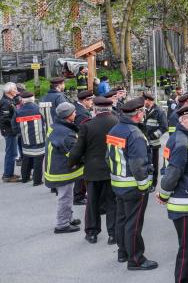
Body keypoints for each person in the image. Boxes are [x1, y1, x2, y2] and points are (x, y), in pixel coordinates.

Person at [157, 103, 188, 283]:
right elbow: (172, 174)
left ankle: (186, 278)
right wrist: (163, 194)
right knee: (187, 248)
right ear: (184, 119)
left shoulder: (185, 138)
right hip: (185, 204)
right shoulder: (181, 142)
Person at [106, 97, 157, 270]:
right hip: (133, 186)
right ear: (137, 114)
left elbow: (108, 158)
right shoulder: (135, 135)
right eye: (142, 112)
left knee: (121, 219)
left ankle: (123, 252)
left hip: (118, 183)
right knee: (134, 223)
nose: (143, 114)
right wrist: (144, 187)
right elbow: (138, 165)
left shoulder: (114, 130)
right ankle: (136, 259)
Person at [69, 96, 119, 245]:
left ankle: (92, 233)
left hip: (93, 170)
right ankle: (113, 234)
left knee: (92, 202)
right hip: (113, 169)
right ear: (110, 108)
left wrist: (71, 162)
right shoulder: (118, 122)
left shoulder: (87, 125)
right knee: (112, 202)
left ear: (95, 109)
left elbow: (78, 149)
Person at [44, 102, 84, 234]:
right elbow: (73, 155)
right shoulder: (66, 133)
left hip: (54, 166)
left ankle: (68, 218)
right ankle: (62, 224)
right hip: (62, 171)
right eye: (73, 112)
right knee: (65, 197)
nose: (75, 114)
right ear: (67, 116)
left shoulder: (55, 126)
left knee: (67, 195)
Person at [13, 91, 46, 185]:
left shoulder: (18, 111)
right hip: (39, 139)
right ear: (33, 98)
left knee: (26, 159)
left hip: (25, 139)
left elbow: (14, 126)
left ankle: (25, 178)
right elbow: (45, 122)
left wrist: (21, 133)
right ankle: (37, 181)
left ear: (22, 100)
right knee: (38, 160)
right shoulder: (39, 109)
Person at [143, 92, 168, 189]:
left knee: (154, 164)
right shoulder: (143, 110)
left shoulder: (159, 111)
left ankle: (153, 183)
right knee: (145, 163)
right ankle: (146, 182)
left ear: (149, 101)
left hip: (154, 144)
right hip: (144, 144)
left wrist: (153, 136)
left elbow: (164, 127)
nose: (143, 102)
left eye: (144, 100)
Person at [1, 82, 21, 182]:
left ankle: (9, 173)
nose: (16, 91)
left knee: (12, 152)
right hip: (9, 131)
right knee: (11, 153)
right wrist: (16, 124)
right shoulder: (5, 102)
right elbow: (5, 118)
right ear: (9, 91)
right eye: (15, 89)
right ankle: (8, 175)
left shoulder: (10, 100)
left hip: (10, 130)